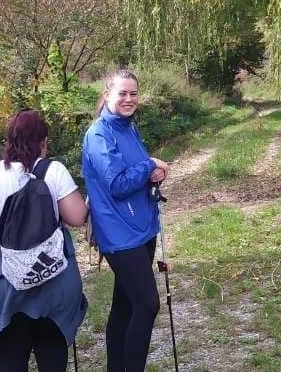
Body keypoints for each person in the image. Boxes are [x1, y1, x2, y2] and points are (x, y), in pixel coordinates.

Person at [0, 109, 88, 372]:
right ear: (43, 141)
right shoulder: (54, 170)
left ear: (8, 141)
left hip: (8, 285)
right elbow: (77, 217)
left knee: (11, 355)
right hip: (54, 279)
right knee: (53, 354)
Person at [82, 69, 169, 372]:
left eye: (133, 93)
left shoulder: (128, 127)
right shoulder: (98, 134)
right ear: (107, 95)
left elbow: (135, 171)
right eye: (122, 93)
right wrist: (149, 166)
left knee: (125, 305)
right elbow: (116, 184)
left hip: (142, 227)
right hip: (119, 234)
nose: (129, 99)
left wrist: (152, 174)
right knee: (147, 304)